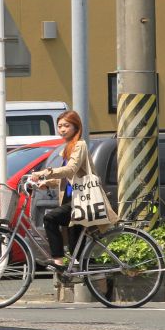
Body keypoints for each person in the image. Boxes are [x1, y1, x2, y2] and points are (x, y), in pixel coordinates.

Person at [26, 110, 115, 270]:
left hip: (82, 200)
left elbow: (71, 170)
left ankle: (58, 261)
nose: (62, 129)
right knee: (76, 252)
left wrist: (44, 173)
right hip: (74, 200)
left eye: (66, 125)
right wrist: (48, 183)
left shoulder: (79, 145)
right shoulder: (68, 147)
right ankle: (85, 281)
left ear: (76, 126)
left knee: (50, 219)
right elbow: (66, 177)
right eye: (60, 126)